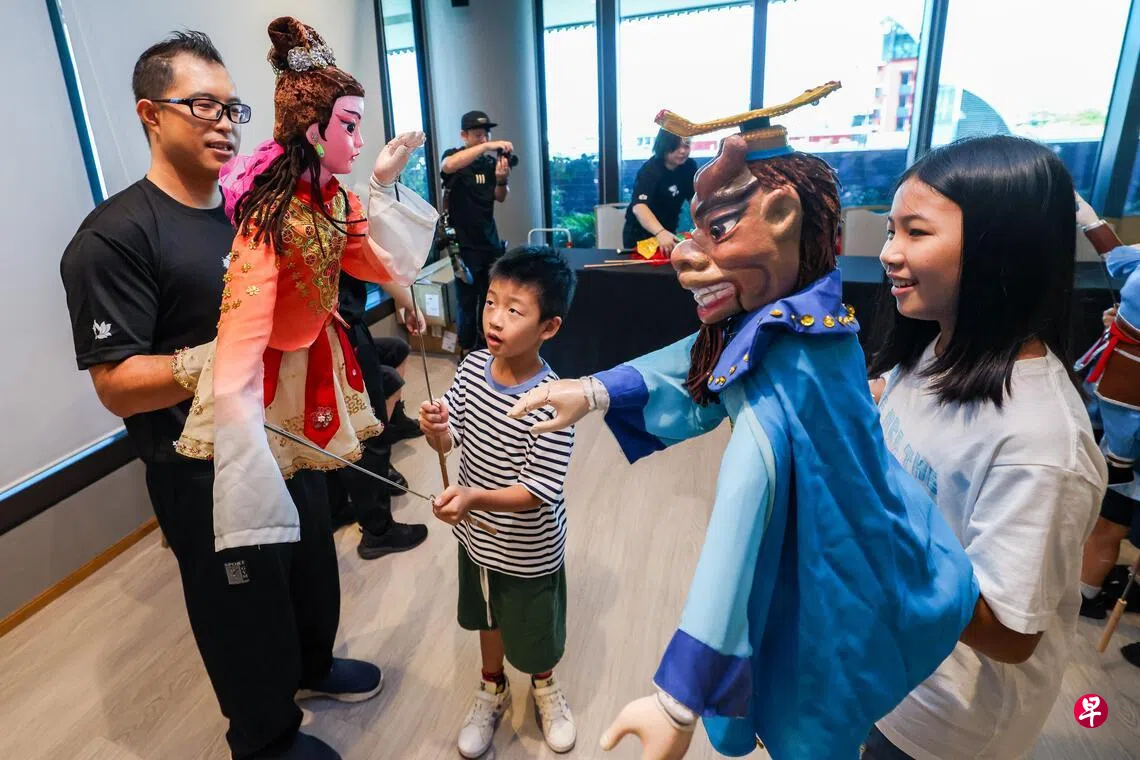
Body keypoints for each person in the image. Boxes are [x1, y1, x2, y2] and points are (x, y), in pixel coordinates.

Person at [508, 84, 978, 760]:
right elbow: (702, 365)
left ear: (783, 217)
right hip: (858, 545)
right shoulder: (808, 321)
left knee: (812, 696)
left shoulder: (792, 362)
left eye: (719, 230)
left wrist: (679, 697)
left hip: (835, 564)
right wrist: (592, 390)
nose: (687, 253)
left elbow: (743, 504)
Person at [59, 30, 376, 760]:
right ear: (150, 114)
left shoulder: (247, 205)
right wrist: (222, 358)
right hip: (200, 466)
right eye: (203, 106)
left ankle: (312, 666)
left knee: (311, 565)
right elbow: (116, 386)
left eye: (234, 108)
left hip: (285, 435)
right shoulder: (115, 238)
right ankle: (264, 738)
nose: (227, 124)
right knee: (242, 608)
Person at [863, 135, 1107, 760]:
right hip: (881, 668)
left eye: (916, 232)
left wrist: (862, 533)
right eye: (891, 229)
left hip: (942, 723)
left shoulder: (1039, 442)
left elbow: (1009, 634)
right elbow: (900, 416)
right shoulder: (933, 345)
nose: (888, 252)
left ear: (1001, 247)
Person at [174, 18, 435, 554]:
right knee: (279, 490)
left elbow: (377, 260)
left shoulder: (335, 199)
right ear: (314, 132)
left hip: (319, 344)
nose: (359, 142)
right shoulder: (273, 211)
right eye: (350, 127)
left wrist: (382, 182)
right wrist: (236, 404)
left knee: (312, 489)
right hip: (271, 367)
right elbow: (246, 311)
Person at [418, 247, 578, 758]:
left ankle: (544, 686)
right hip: (477, 539)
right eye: (491, 302)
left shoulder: (555, 401)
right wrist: (436, 430)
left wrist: (472, 498)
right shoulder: (470, 368)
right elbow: (451, 439)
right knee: (487, 616)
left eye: (514, 310)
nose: (495, 318)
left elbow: (536, 491)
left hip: (530, 547)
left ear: (549, 327)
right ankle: (493, 685)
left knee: (534, 628)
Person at [326, 271, 429, 559]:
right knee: (369, 431)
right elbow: (368, 259)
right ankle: (379, 531)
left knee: (331, 427)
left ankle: (337, 508)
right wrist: (410, 303)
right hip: (340, 330)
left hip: (314, 334)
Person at [440, 110, 513, 355]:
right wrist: (487, 146)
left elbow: (500, 197)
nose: (484, 139)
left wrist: (502, 180)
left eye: (486, 135)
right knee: (467, 301)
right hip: (463, 245)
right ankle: (466, 349)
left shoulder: (489, 164)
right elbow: (448, 166)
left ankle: (486, 348)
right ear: (464, 135)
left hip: (490, 242)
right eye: (478, 135)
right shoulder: (454, 157)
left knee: (491, 299)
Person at [621, 128, 697, 254]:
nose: (683, 151)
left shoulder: (689, 166)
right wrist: (660, 232)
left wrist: (701, 226)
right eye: (676, 147)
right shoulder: (650, 170)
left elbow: (695, 199)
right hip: (641, 234)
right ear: (664, 146)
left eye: (686, 146)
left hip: (669, 231)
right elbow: (639, 207)